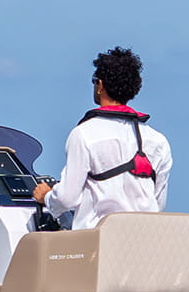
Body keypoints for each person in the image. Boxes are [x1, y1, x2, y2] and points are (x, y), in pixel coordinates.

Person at [31, 47, 172, 229]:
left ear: (100, 85)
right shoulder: (158, 141)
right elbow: (158, 203)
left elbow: (67, 199)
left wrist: (46, 197)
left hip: (99, 241)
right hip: (146, 239)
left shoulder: (85, 134)